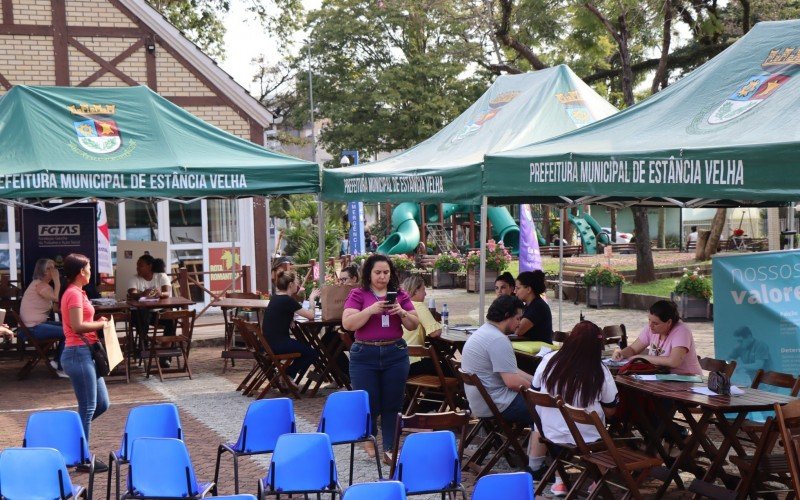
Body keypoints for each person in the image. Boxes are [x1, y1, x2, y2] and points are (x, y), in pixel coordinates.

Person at [342, 254, 419, 464]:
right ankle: (369, 436)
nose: (382, 277)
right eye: (378, 272)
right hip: (364, 355)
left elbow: (414, 324)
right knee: (369, 401)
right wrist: (370, 310)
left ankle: (390, 448)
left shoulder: (400, 294)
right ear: (369, 273)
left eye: (386, 272)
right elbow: (348, 324)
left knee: (393, 403)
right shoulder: (358, 294)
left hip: (395, 352)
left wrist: (402, 312)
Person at [460, 295, 546, 478]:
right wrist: (541, 390)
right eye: (517, 318)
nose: (519, 323)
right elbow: (512, 382)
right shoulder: (498, 340)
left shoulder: (484, 332)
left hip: (481, 401)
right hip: (497, 403)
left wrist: (538, 382)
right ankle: (536, 466)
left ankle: (535, 457)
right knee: (545, 410)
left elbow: (511, 370)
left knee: (540, 402)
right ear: (507, 315)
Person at [533, 321, 619, 496]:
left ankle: (559, 481)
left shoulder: (549, 359)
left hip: (549, 431)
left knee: (565, 423)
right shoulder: (599, 370)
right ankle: (597, 480)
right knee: (604, 432)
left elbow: (534, 390)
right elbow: (611, 408)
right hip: (587, 436)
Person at [59, 253, 110, 472]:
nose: (91, 271)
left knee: (102, 404)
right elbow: (78, 325)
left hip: (86, 353)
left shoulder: (79, 292)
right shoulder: (73, 294)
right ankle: (83, 459)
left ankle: (73, 440)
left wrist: (98, 324)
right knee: (88, 407)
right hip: (77, 353)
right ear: (81, 271)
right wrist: (100, 325)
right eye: (89, 268)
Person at [262, 270, 320, 390]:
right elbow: (311, 316)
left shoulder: (276, 298)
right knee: (312, 353)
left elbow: (280, 314)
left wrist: (290, 318)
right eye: (296, 283)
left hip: (268, 343)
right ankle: (288, 374)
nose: (297, 285)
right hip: (278, 345)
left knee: (305, 348)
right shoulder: (288, 300)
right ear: (290, 285)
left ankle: (286, 375)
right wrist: (311, 300)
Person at [612, 299, 702, 375]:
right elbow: (633, 349)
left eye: (655, 323)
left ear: (669, 322)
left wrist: (641, 358)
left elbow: (674, 361)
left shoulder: (682, 331)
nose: (650, 325)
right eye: (649, 320)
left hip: (688, 381)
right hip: (662, 379)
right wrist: (621, 353)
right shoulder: (651, 328)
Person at [20, 258, 67, 377]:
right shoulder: (40, 286)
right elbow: (56, 298)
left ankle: (56, 362)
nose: (55, 270)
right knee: (68, 332)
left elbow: (55, 308)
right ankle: (61, 367)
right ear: (44, 271)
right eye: (51, 268)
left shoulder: (43, 286)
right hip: (33, 329)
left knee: (68, 327)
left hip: (35, 325)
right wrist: (57, 281)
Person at [127, 254, 173, 367]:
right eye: (137, 266)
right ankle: (144, 345)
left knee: (172, 320)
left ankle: (164, 354)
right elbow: (132, 294)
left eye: (140, 265)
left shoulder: (161, 276)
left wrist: (160, 294)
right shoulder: (134, 278)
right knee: (142, 314)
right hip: (141, 315)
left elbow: (167, 293)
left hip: (158, 313)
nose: (137, 268)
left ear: (150, 266)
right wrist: (143, 293)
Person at [400, 275, 442, 376]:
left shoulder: (401, 305)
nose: (425, 293)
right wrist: (440, 325)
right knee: (450, 368)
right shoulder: (418, 306)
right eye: (423, 289)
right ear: (415, 291)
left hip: (399, 362)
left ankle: (430, 392)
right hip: (414, 362)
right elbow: (434, 333)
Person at [514, 271, 553, 342]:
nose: (515, 291)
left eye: (518, 288)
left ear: (528, 289)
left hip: (541, 351)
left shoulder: (538, 307)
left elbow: (517, 331)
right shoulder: (529, 305)